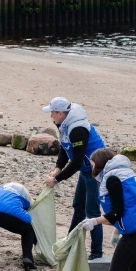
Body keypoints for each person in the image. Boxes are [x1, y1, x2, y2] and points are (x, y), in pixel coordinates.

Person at [42, 97, 107, 260]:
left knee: (91, 211)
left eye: (52, 113)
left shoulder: (77, 129)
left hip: (96, 171)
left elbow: (77, 161)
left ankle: (96, 254)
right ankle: (69, 244)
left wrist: (56, 180)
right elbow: (65, 148)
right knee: (78, 205)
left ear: (61, 113)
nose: (51, 117)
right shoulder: (63, 124)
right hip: (86, 170)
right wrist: (57, 168)